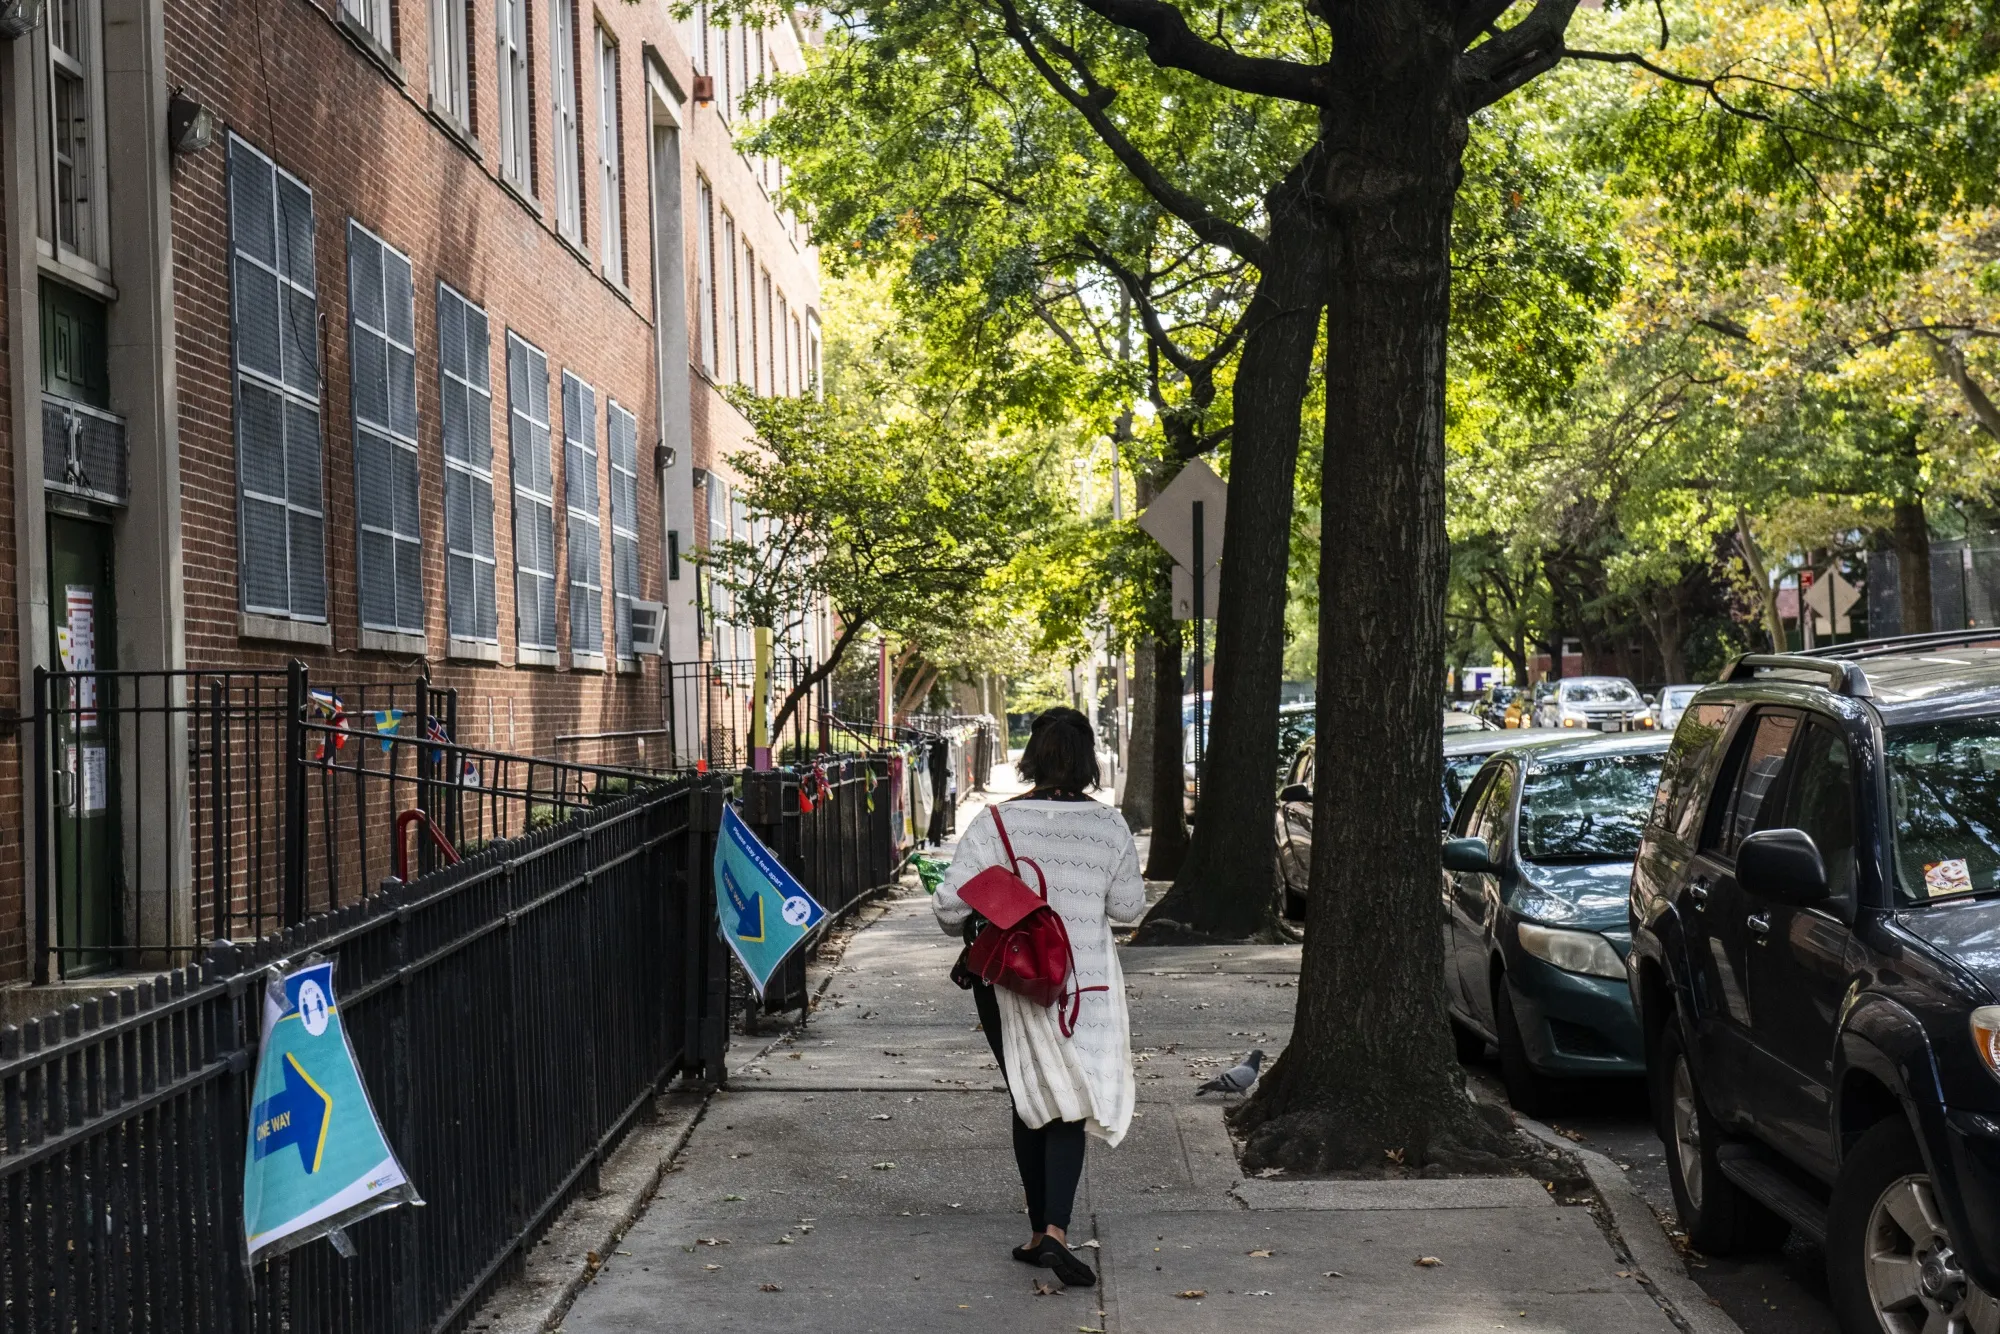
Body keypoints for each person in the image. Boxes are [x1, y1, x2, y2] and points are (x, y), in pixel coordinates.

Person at [932, 707, 1145, 1287]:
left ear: (1032, 755)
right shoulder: (1111, 826)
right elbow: (1128, 911)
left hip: (1012, 985)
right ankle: (1054, 1233)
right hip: (1086, 986)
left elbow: (950, 912)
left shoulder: (994, 824)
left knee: (1030, 1095)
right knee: (1070, 1101)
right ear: (1086, 761)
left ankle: (1037, 1233)